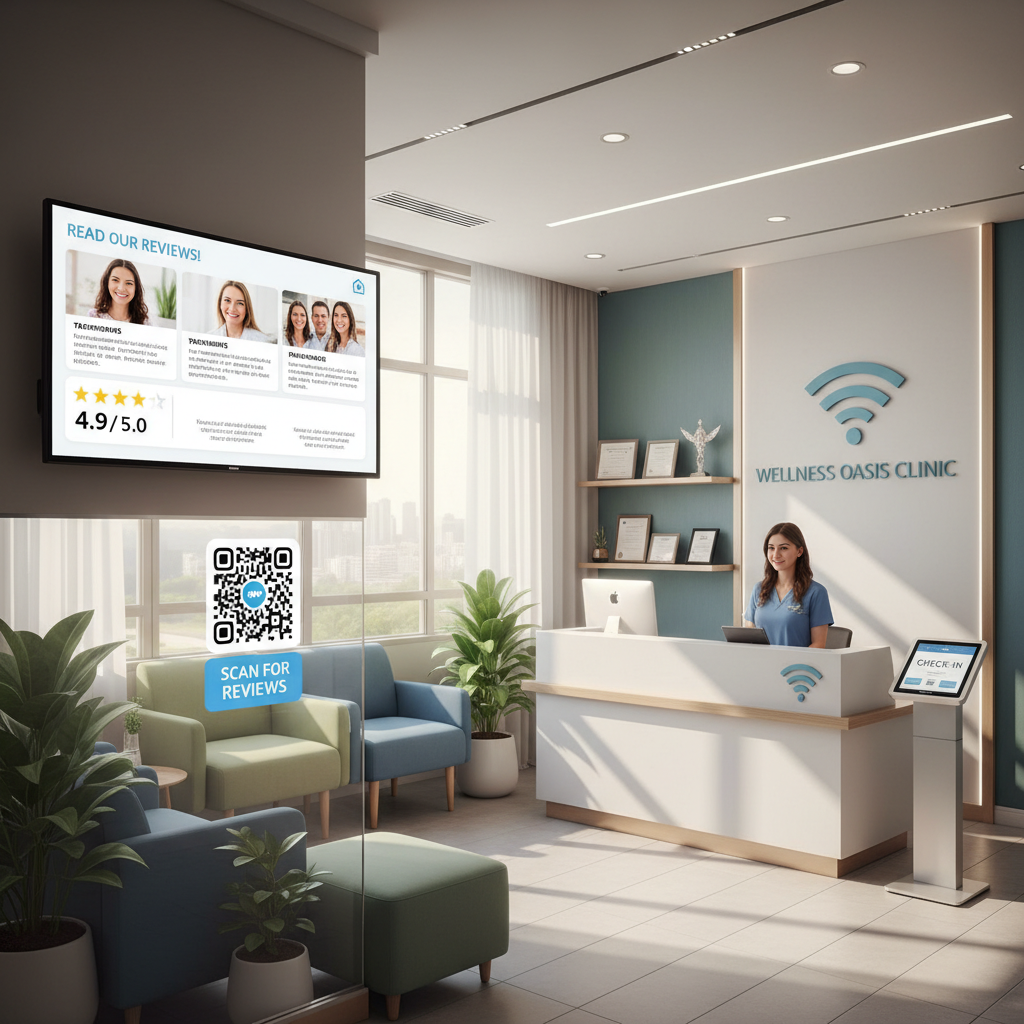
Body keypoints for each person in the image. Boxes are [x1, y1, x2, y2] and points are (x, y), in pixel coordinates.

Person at [744, 522, 833, 647]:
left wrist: (789, 661)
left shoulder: (816, 592)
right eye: (771, 548)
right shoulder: (759, 589)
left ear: (799, 551)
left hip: (798, 660)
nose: (776, 555)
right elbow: (749, 637)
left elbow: (818, 644)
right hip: (761, 659)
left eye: (783, 548)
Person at [88, 258, 150, 324]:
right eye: (115, 280)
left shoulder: (144, 322)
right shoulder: (94, 316)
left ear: (136, 288)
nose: (121, 288)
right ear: (107, 282)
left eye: (129, 283)